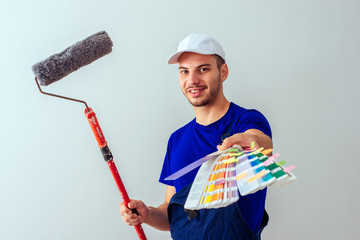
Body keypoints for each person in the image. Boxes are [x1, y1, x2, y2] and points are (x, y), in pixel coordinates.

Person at [120, 33, 273, 239]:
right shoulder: (177, 140)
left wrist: (252, 143)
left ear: (223, 72)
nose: (192, 80)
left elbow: (261, 141)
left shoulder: (245, 121)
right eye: (184, 71)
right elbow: (171, 214)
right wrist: (147, 214)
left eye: (203, 69)